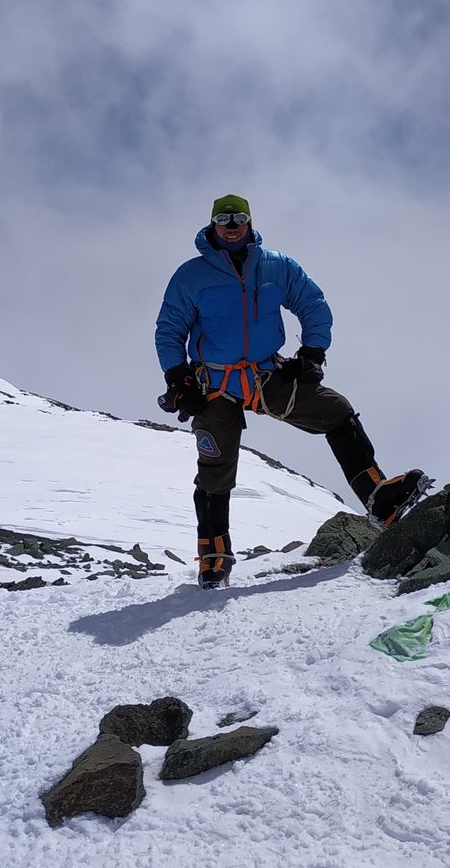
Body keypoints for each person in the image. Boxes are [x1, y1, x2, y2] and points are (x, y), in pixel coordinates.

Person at [155, 194, 426, 588]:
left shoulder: (277, 266)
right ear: (213, 225)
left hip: (266, 377)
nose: (232, 225)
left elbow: (311, 302)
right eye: (224, 219)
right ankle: (213, 557)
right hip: (213, 385)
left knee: (336, 411)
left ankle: (379, 498)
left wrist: (313, 351)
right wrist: (178, 378)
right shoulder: (190, 276)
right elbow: (170, 329)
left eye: (239, 218)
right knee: (215, 470)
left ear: (250, 222)